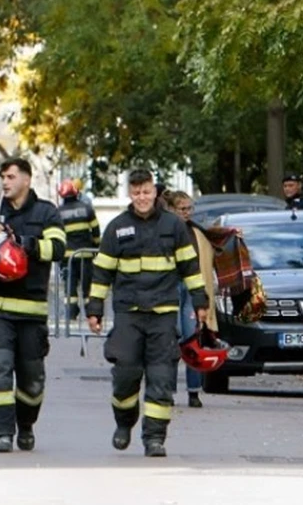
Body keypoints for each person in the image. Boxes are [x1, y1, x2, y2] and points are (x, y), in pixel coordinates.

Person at [86, 169, 208, 458]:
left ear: (155, 192)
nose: (142, 197)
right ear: (130, 193)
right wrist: (94, 309)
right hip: (129, 313)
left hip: (163, 313)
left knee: (162, 377)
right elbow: (102, 272)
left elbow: (190, 268)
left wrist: (200, 302)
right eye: (137, 192)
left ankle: (155, 438)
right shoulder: (116, 228)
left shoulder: (174, 226)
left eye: (147, 191)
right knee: (126, 374)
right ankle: (124, 422)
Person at [0, 158, 66, 453]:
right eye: (2, 177)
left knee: (32, 381)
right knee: (0, 368)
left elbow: (58, 248)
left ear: (26, 180)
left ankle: (26, 425)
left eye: (10, 176)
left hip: (32, 310)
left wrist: (25, 242)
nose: (5, 182)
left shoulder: (46, 212)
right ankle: (2, 434)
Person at [164, 191, 219, 408]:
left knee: (191, 339)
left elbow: (216, 242)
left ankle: (194, 392)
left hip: (191, 288)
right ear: (171, 209)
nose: (187, 213)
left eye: (189, 208)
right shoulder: (165, 230)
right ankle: (166, 390)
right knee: (171, 339)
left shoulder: (195, 231)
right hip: (169, 289)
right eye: (183, 209)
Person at [57, 179, 101, 320]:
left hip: (67, 257)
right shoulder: (86, 208)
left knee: (70, 286)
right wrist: (95, 246)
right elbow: (95, 230)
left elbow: (57, 234)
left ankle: (71, 313)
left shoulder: (58, 213)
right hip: (85, 255)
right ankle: (91, 313)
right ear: (76, 193)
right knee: (87, 286)